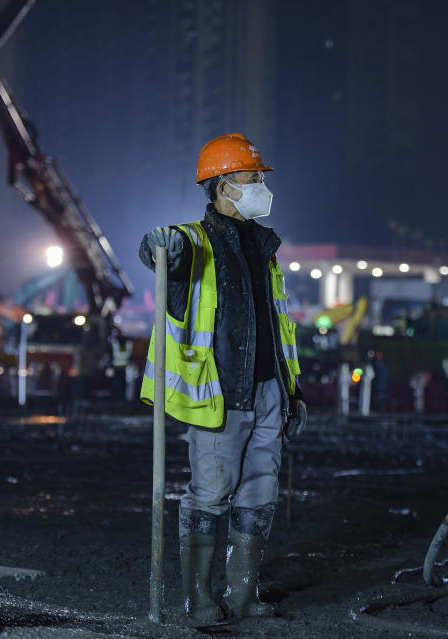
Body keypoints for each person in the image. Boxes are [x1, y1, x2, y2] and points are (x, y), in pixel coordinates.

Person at [139, 132, 307, 626]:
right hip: (220, 395)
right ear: (222, 184)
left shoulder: (265, 247)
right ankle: (201, 600)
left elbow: (279, 326)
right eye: (252, 176)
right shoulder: (194, 240)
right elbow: (159, 249)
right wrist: (158, 244)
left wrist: (292, 390)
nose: (260, 184)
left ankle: (243, 596)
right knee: (210, 493)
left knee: (260, 491)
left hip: (269, 390)